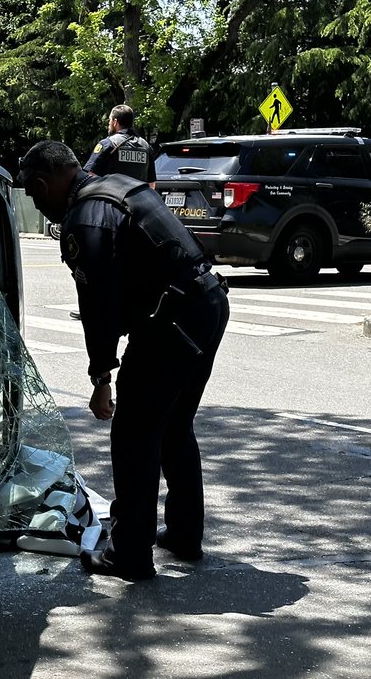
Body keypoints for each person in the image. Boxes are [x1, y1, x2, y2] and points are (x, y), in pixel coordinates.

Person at [18, 140, 228, 581]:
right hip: (207, 302)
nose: (39, 203)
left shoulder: (85, 217)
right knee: (173, 424)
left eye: (35, 194)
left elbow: (99, 305)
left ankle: (130, 553)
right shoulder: (121, 186)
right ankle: (185, 535)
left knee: (134, 432)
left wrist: (100, 376)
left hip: (173, 319)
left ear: (43, 183)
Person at [83, 104, 156, 186]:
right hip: (140, 198)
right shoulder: (146, 146)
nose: (109, 124)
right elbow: (151, 185)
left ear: (115, 122)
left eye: (110, 120)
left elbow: (90, 176)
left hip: (112, 197)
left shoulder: (108, 143)